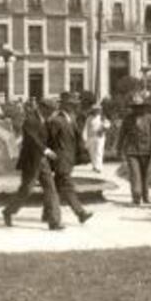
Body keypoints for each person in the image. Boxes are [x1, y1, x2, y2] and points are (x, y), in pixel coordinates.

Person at [2, 98, 63, 230]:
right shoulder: (30, 120)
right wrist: (46, 150)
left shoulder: (46, 121)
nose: (52, 113)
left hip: (43, 161)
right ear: (43, 108)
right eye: (51, 110)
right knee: (26, 190)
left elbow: (50, 138)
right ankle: (8, 211)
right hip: (31, 161)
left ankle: (54, 221)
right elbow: (32, 140)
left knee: (51, 189)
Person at [46, 92, 93, 224]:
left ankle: (47, 213)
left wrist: (82, 154)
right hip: (61, 159)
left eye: (75, 105)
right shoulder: (56, 120)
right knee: (67, 186)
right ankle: (80, 213)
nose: (75, 107)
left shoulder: (71, 119)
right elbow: (49, 141)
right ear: (65, 105)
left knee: (54, 188)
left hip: (69, 159)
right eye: (72, 105)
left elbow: (77, 139)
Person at [116, 93, 151, 205]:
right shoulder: (128, 119)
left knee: (146, 175)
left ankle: (146, 197)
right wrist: (119, 149)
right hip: (132, 151)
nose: (138, 109)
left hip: (147, 151)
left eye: (140, 107)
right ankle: (136, 196)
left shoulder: (150, 118)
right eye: (135, 107)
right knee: (135, 174)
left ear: (144, 107)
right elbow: (122, 134)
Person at [82, 104, 110, 173]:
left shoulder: (102, 117)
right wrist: (84, 137)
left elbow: (108, 124)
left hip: (100, 137)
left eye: (98, 110)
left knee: (99, 151)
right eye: (95, 110)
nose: (97, 111)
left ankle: (99, 167)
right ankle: (94, 165)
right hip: (91, 137)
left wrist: (104, 128)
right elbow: (86, 128)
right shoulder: (89, 118)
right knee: (92, 152)